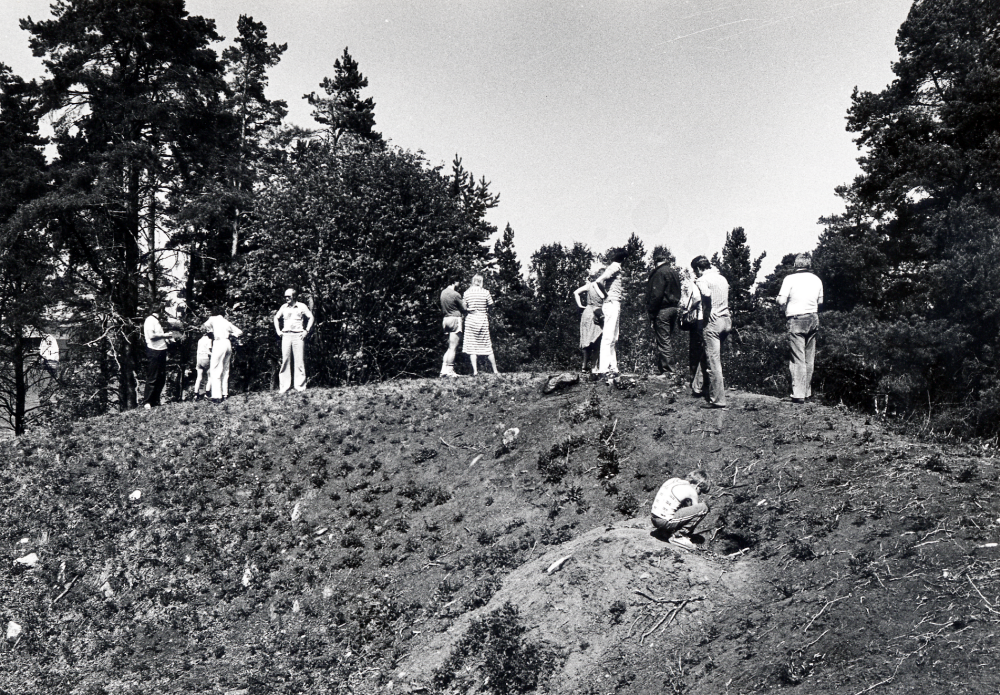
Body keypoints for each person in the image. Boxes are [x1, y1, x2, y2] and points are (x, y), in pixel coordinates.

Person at [777, 253, 824, 404]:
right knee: (809, 358)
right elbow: (820, 301)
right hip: (813, 317)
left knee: (798, 358)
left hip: (797, 318)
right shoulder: (817, 279)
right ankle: (807, 391)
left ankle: (798, 394)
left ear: (796, 265)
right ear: (809, 265)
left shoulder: (789, 279)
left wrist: (779, 300)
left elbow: (782, 300)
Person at [692, 255, 731, 409]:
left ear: (698, 268)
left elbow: (706, 295)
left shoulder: (702, 280)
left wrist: (708, 310)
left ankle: (718, 399)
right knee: (707, 353)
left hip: (713, 322)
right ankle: (697, 386)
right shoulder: (722, 278)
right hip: (726, 320)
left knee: (713, 361)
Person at [651, 470, 711, 551]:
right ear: (698, 485)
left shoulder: (673, 480)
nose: (699, 494)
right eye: (701, 491)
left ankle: (664, 532)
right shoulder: (692, 491)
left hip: (654, 518)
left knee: (679, 504)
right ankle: (679, 536)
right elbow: (695, 511)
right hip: (665, 521)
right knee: (703, 508)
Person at [592, 248, 627, 384]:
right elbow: (598, 282)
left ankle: (613, 367)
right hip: (611, 303)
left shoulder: (616, 267)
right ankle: (604, 369)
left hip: (614, 303)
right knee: (608, 336)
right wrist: (605, 296)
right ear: (624, 259)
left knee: (614, 337)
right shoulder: (614, 267)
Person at [646, 250, 682, 381]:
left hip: (663, 309)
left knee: (663, 340)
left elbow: (656, 295)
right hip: (674, 308)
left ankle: (668, 371)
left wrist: (651, 313)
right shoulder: (674, 272)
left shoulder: (659, 273)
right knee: (667, 339)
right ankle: (666, 368)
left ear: (655, 262)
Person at [273, 288, 315, 393]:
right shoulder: (283, 307)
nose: (286, 298)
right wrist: (278, 331)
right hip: (286, 335)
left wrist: (306, 331)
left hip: (298, 336)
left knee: (299, 360)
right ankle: (284, 387)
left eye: (289, 296)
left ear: (294, 296)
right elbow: (276, 318)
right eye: (285, 296)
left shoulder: (301, 306)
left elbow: (311, 317)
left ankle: (300, 386)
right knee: (285, 360)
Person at [203, 307, 243, 403]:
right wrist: (233, 335)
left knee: (215, 369)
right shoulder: (226, 322)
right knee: (225, 369)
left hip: (219, 342)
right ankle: (225, 394)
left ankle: (216, 396)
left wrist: (210, 331)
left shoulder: (213, 318)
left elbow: (204, 326)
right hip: (227, 343)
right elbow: (240, 332)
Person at [462, 274, 499, 375]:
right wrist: (486, 310)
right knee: (487, 345)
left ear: (473, 281)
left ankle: (475, 371)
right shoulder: (485, 292)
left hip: (471, 320)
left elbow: (464, 307)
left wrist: (470, 309)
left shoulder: (466, 293)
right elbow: (491, 305)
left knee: (472, 346)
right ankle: (495, 370)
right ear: (481, 281)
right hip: (482, 319)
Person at [573, 267, 605, 375]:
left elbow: (576, 292)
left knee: (586, 340)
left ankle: (584, 366)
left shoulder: (590, 285)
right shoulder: (604, 288)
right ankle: (594, 367)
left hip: (587, 312)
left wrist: (580, 305)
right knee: (596, 340)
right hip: (598, 312)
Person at [142, 305, 172, 409]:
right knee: (153, 376)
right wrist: (166, 335)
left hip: (161, 350)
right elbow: (152, 336)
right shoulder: (150, 320)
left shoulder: (155, 320)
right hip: (154, 351)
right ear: (161, 310)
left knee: (161, 377)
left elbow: (157, 336)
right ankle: (147, 401)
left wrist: (167, 339)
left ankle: (155, 400)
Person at [439, 277, 468, 377]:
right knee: (453, 347)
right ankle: (450, 370)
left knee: (449, 347)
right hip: (455, 319)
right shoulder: (455, 294)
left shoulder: (443, 292)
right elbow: (464, 308)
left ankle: (443, 370)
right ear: (454, 281)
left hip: (446, 319)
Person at [193, 328, 213, 401]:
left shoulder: (200, 340)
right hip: (206, 359)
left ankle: (196, 394)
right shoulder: (209, 340)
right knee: (210, 377)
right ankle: (207, 394)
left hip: (199, 359)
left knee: (199, 377)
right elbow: (208, 352)